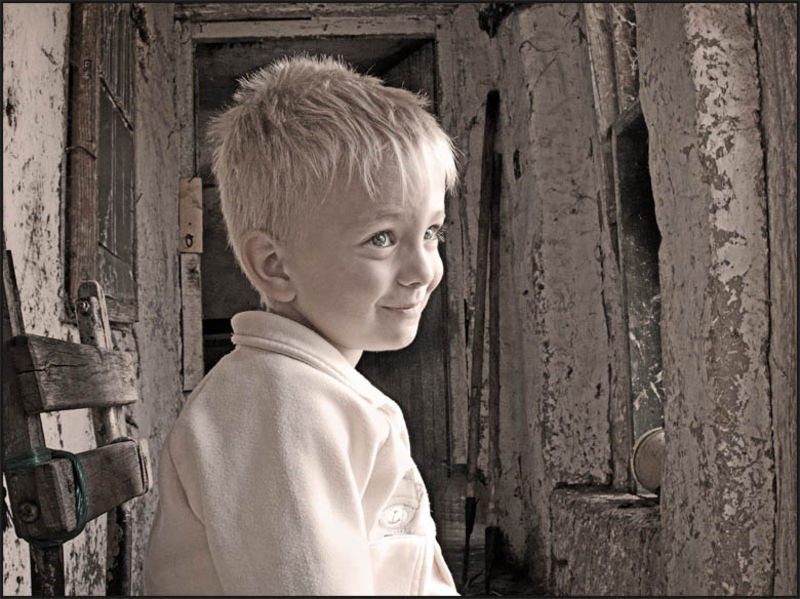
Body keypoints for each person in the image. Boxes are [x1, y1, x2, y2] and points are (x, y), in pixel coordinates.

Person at [144, 54, 459, 595]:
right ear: (275, 266)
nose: (424, 270)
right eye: (382, 238)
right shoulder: (276, 405)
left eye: (431, 233)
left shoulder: (308, 389)